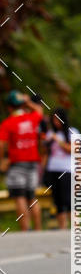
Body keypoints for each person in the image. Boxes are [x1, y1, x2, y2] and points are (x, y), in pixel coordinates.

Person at [0, 90, 44, 230]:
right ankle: (38, 229)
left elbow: (1, 144)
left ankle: (25, 230)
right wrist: (28, 101)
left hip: (17, 164)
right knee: (31, 197)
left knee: (20, 197)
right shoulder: (32, 119)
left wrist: (1, 160)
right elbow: (39, 110)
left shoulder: (7, 123)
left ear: (9, 107)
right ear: (22, 105)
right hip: (33, 163)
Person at [44, 108, 78, 229]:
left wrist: (59, 141)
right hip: (53, 168)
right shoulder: (50, 133)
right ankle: (62, 227)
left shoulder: (72, 132)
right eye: (53, 120)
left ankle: (74, 226)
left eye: (57, 119)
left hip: (67, 169)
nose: (55, 122)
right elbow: (45, 153)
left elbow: (74, 150)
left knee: (68, 199)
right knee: (58, 200)